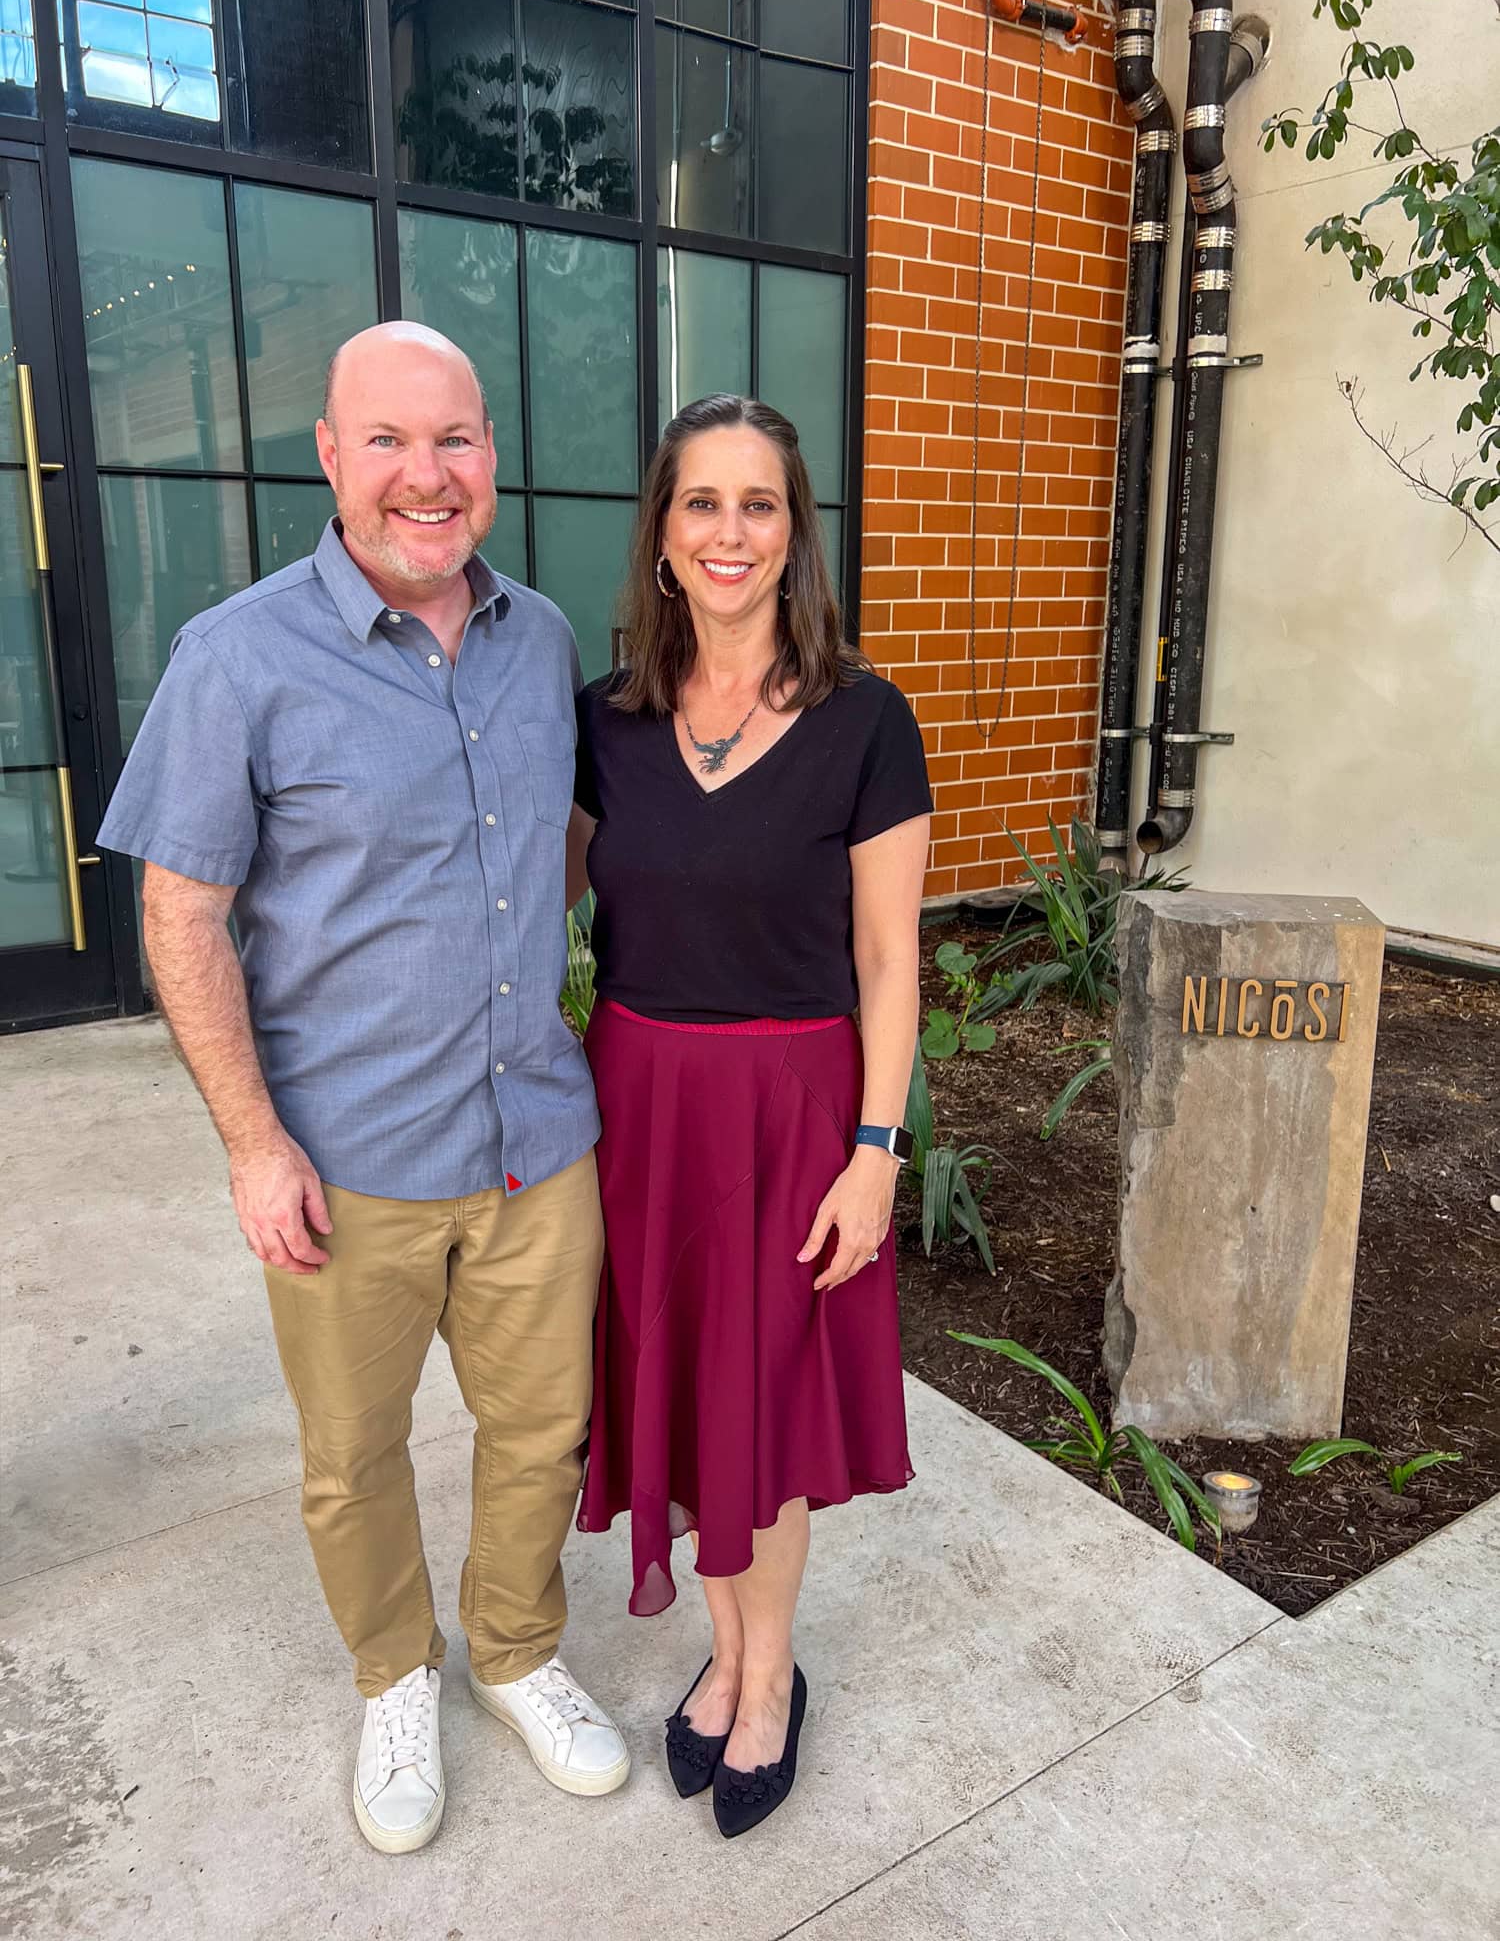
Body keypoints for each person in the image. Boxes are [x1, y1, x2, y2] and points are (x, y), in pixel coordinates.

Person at [96, 322, 628, 1855]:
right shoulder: (238, 657)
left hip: (539, 1138)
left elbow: (572, 853)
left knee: (543, 1434)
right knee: (354, 1457)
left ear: (491, 459)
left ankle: (519, 1651)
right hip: (348, 1162)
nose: (425, 475)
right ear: (329, 456)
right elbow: (181, 914)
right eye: (386, 441)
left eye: (453, 440)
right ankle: (398, 1670)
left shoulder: (537, 645)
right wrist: (255, 1147)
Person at [570, 393, 932, 1838]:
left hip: (793, 1120)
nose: (730, 532)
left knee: (763, 1410)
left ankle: (768, 1679)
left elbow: (892, 959)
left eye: (760, 504)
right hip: (642, 1109)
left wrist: (875, 1150)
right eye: (701, 502)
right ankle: (719, 1660)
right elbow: (534, 890)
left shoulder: (865, 722)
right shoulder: (607, 719)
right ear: (662, 534)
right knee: (688, 1395)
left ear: (796, 533)